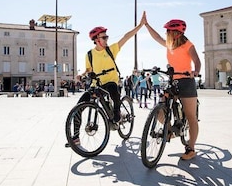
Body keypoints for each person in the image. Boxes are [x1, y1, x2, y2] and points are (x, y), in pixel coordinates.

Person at [67, 12, 146, 145]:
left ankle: (116, 113)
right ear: (96, 40)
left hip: (111, 81)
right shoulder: (90, 54)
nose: (107, 39)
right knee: (78, 107)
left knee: (112, 88)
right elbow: (89, 70)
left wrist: (140, 25)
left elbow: (126, 37)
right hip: (96, 84)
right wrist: (82, 75)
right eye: (104, 37)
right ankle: (75, 138)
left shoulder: (111, 49)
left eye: (107, 37)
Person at [144, 16, 201, 160]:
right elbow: (156, 37)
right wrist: (146, 24)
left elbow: (197, 61)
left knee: (191, 117)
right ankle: (168, 131)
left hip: (187, 82)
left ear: (176, 32)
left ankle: (191, 148)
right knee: (160, 110)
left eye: (168, 31)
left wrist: (196, 71)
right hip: (173, 81)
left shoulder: (188, 45)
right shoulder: (169, 44)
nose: (166, 34)